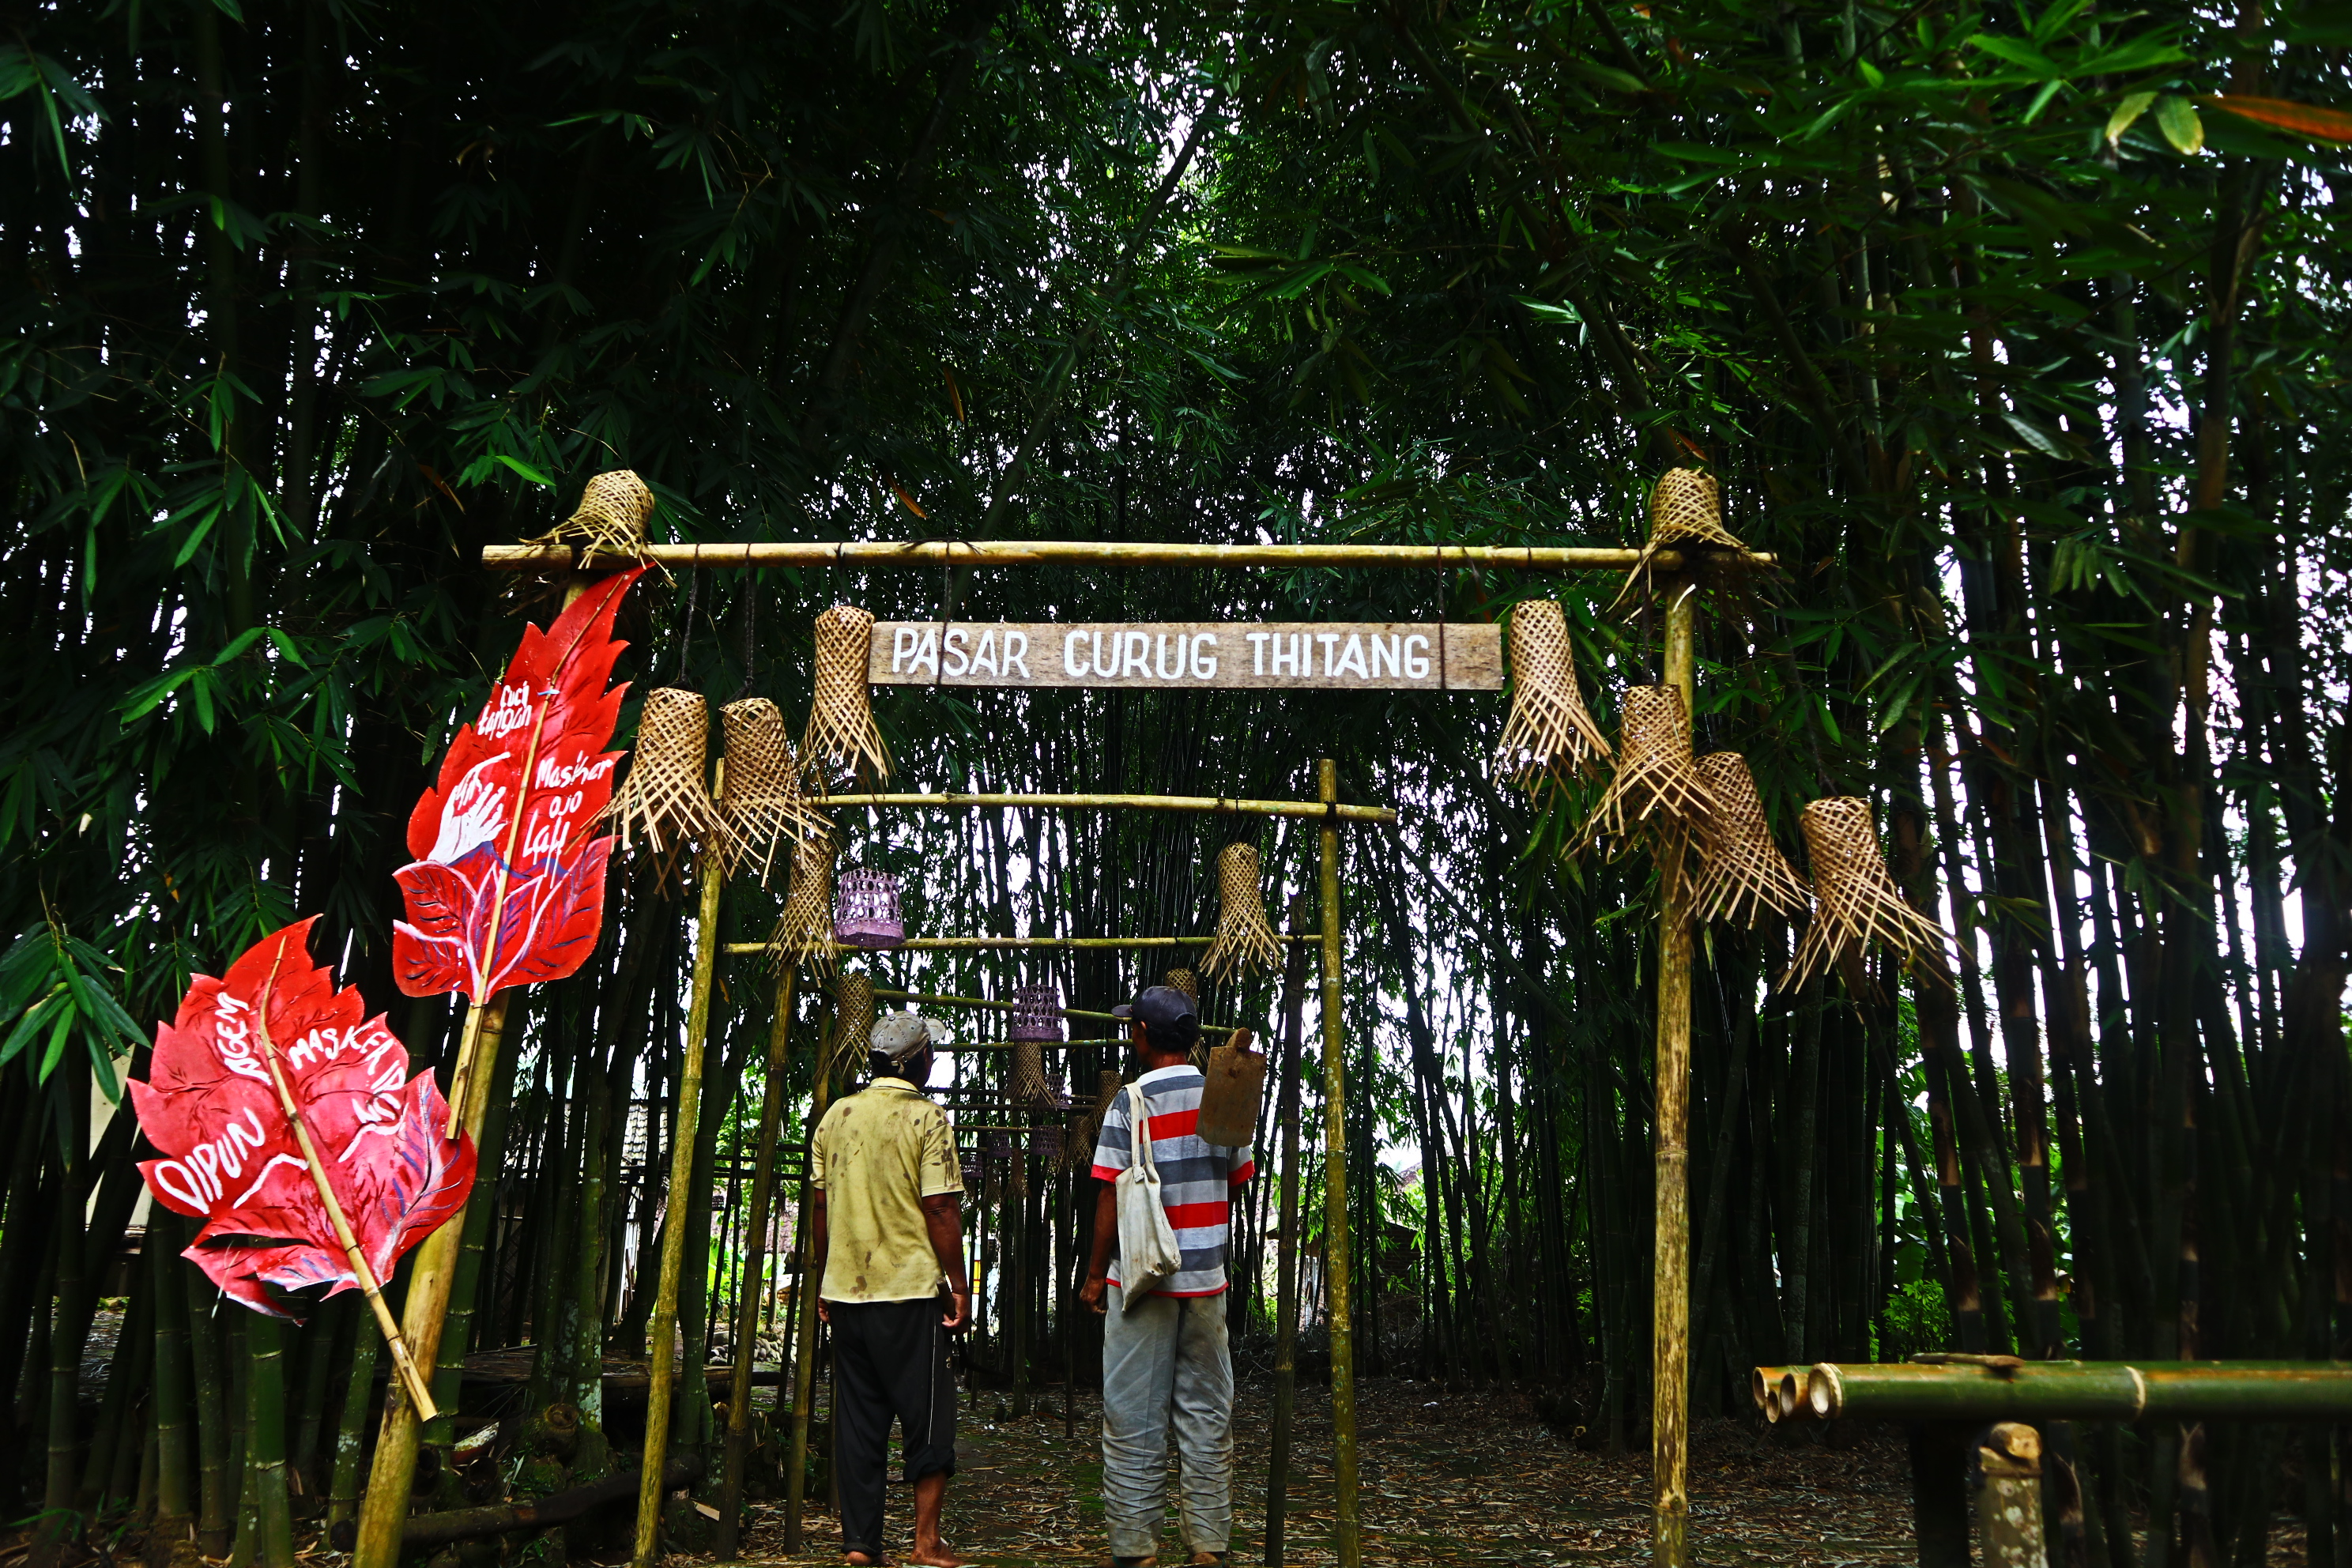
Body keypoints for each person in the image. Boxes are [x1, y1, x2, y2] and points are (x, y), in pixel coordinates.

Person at [1080, 985, 1255, 1568]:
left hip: (1141, 1282)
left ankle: (1137, 1551)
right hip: (1206, 1281)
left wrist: (1094, 1274)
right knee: (1207, 1415)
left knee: (1134, 1417)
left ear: (1143, 1035)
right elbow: (1237, 1179)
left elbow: (1110, 1197)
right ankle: (1208, 1546)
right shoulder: (1222, 1092)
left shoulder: (1129, 1102)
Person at [808, 1011, 972, 1568]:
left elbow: (821, 1206)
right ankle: (926, 1542)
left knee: (859, 1422)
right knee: (930, 1418)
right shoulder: (927, 1118)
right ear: (918, 1061)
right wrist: (959, 1287)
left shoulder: (836, 1115)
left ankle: (860, 1545)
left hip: (848, 1296)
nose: (934, 1061)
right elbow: (940, 1207)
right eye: (931, 1053)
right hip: (908, 1293)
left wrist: (826, 1278)